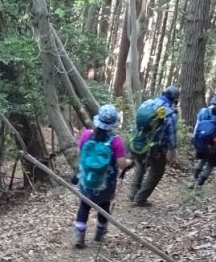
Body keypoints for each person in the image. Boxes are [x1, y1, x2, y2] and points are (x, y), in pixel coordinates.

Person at [73, 105, 131, 248]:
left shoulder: (86, 134)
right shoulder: (116, 141)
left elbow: (81, 154)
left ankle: (78, 237)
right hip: (106, 183)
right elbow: (121, 164)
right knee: (104, 207)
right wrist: (130, 162)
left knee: (84, 206)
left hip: (86, 180)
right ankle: (99, 234)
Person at [129, 85, 180, 206]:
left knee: (141, 164)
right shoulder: (170, 113)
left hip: (139, 142)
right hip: (156, 148)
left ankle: (132, 193)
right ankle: (140, 199)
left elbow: (135, 124)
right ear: (175, 100)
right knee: (157, 171)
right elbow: (171, 137)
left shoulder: (147, 103)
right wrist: (172, 153)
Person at [189, 90, 216, 189]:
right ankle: (199, 185)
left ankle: (193, 180)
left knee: (202, 160)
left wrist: (195, 138)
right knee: (210, 164)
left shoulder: (203, 111)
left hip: (201, 142)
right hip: (213, 146)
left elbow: (197, 126)